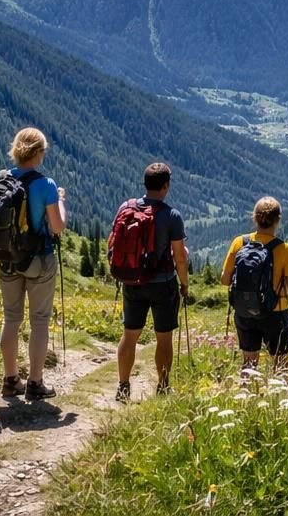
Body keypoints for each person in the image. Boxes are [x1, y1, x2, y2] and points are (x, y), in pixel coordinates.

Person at [0, 127, 66, 401]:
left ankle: (10, 380)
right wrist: (61, 202)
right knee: (39, 320)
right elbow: (57, 227)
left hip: (6, 257)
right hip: (38, 258)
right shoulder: (46, 185)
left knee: (11, 318)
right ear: (40, 153)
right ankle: (35, 382)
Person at [114, 162, 188, 402]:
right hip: (162, 283)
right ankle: (163, 386)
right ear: (165, 186)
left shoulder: (126, 207)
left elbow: (112, 243)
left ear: (145, 184)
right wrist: (184, 284)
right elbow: (179, 256)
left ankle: (123, 385)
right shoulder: (171, 216)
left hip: (132, 280)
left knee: (130, 334)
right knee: (163, 337)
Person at [220, 196, 288, 377]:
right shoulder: (285, 250)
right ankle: (279, 399)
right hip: (276, 312)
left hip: (244, 310)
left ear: (255, 218)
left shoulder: (239, 243)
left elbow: (225, 280)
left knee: (249, 362)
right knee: (280, 363)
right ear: (277, 220)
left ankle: (246, 398)